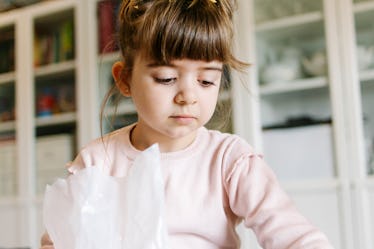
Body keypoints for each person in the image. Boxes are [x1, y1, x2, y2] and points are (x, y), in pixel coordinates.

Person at [41, 0, 334, 248]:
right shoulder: (97, 161)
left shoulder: (230, 160)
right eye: (167, 79)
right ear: (125, 79)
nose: (188, 96)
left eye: (207, 80)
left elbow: (294, 236)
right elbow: (59, 238)